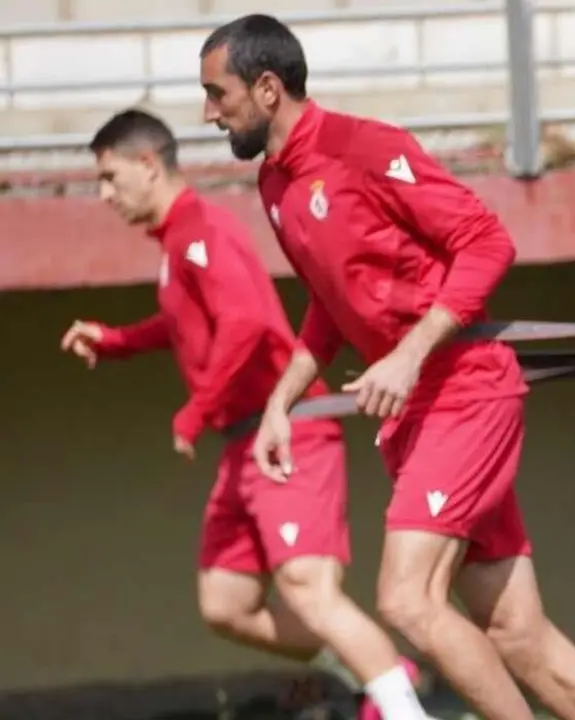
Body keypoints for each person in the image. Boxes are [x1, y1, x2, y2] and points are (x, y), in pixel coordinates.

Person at [196, 14, 575, 720]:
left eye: (219, 94)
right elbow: (330, 304)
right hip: (420, 417)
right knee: (516, 631)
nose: (209, 113)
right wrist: (284, 402)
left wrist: (407, 354)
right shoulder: (276, 185)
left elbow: (487, 242)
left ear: (268, 88)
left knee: (406, 599)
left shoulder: (364, 147)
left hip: (466, 396)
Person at [59, 108, 435, 720]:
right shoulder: (177, 241)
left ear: (148, 165)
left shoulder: (201, 228)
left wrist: (194, 411)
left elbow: (247, 325)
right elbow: (190, 323)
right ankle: (374, 667)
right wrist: (117, 340)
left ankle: (400, 706)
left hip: (289, 432)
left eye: (109, 178)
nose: (104, 195)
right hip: (243, 443)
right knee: (225, 603)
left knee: (308, 592)